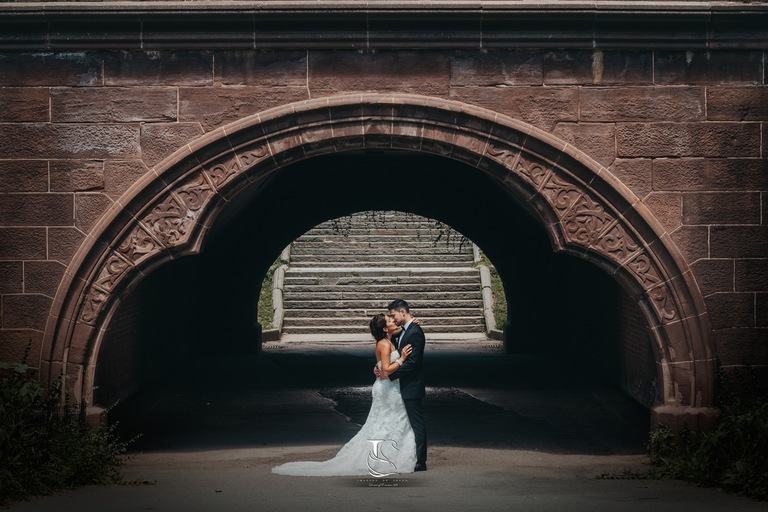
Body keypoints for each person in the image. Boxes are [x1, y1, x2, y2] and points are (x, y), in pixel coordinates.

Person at [272, 313, 415, 476]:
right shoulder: (383, 343)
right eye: (390, 321)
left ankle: (390, 455)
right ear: (384, 328)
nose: (394, 321)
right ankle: (381, 457)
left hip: (390, 388)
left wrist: (413, 320)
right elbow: (387, 370)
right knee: (384, 423)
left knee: (388, 422)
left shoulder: (388, 340)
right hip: (387, 389)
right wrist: (402, 359)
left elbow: (385, 360)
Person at [379, 299, 428, 472]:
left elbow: (413, 363)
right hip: (402, 386)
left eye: (394, 315)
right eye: (391, 317)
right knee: (405, 423)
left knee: (416, 423)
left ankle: (421, 461)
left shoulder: (414, 332)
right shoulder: (404, 331)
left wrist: (391, 374)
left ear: (402, 311)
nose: (393, 319)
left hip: (412, 386)